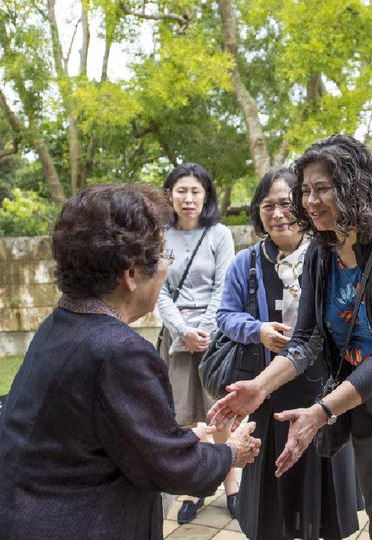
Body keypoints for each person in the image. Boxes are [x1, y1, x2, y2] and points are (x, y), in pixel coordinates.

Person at [210, 135, 372, 539]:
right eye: (306, 190)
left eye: (322, 189)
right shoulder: (321, 252)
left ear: (353, 187)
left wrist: (321, 412)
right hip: (370, 401)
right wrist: (259, 389)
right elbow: (307, 338)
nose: (310, 201)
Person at [0, 184, 260, 539]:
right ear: (130, 274)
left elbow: (111, 441)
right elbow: (171, 469)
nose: (165, 267)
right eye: (161, 254)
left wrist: (186, 440)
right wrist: (229, 452)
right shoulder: (119, 352)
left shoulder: (60, 324)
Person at [216, 168, 363, 539]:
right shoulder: (246, 262)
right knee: (271, 496)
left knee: (321, 487)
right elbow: (225, 316)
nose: (278, 213)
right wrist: (257, 330)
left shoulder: (329, 254)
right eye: (268, 205)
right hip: (268, 390)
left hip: (323, 390)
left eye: (286, 203)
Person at [155, 162, 238, 523]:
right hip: (175, 338)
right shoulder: (158, 235)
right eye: (181, 191)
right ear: (169, 195)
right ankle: (193, 488)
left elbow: (225, 286)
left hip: (214, 337)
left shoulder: (220, 234)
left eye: (195, 191)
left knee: (221, 412)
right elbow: (155, 287)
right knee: (183, 417)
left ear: (206, 196)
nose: (188, 199)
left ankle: (233, 485)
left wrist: (202, 331)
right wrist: (181, 331)